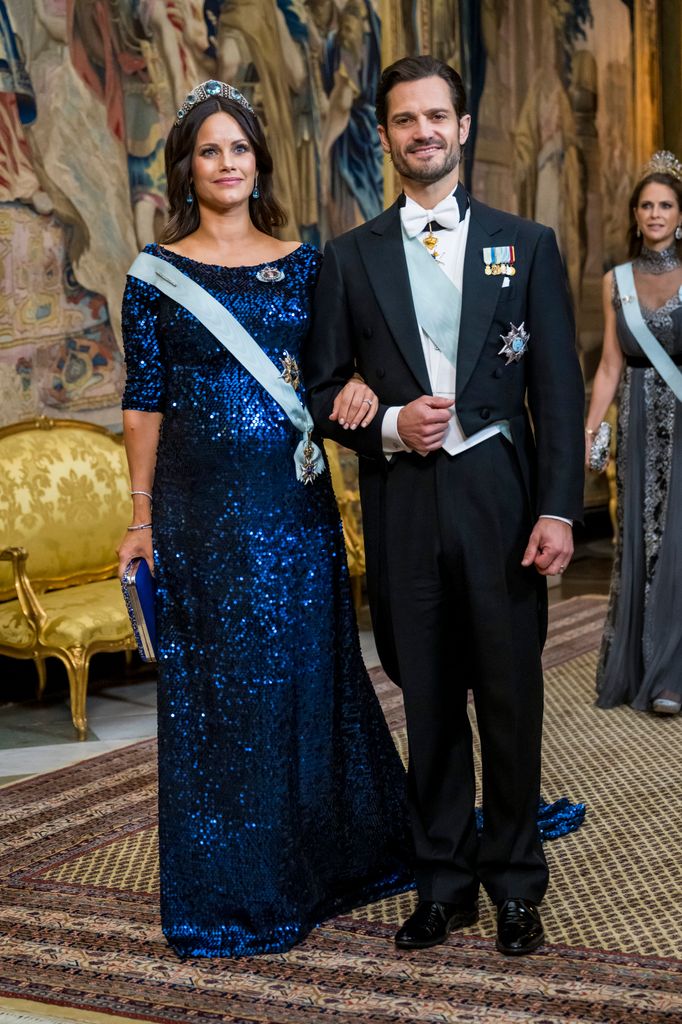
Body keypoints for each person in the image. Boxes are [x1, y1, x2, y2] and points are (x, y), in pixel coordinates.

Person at [116, 79, 413, 958]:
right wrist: (140, 517)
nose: (226, 163)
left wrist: (359, 387)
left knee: (302, 684)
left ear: (259, 162)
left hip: (293, 507)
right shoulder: (154, 273)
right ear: (187, 169)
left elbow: (334, 377)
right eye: (209, 150)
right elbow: (143, 400)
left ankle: (318, 863)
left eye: (239, 148)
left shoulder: (308, 262)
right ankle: (230, 887)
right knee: (218, 701)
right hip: (199, 512)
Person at [305, 55, 585, 956]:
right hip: (404, 505)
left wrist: (560, 510)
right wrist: (384, 421)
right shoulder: (348, 259)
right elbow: (321, 393)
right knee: (426, 700)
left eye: (437, 116)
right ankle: (443, 881)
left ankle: (513, 881)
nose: (423, 132)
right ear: (384, 135)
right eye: (404, 120)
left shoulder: (527, 242)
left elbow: (560, 392)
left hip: (501, 500)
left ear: (463, 127)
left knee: (508, 697)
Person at [586, 151, 682, 716]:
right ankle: (644, 665)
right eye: (646, 204)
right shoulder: (614, 282)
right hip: (638, 417)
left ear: (680, 214)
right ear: (635, 213)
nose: (654, 213)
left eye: (665, 204)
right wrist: (592, 425)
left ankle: (673, 672)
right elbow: (608, 364)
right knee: (641, 538)